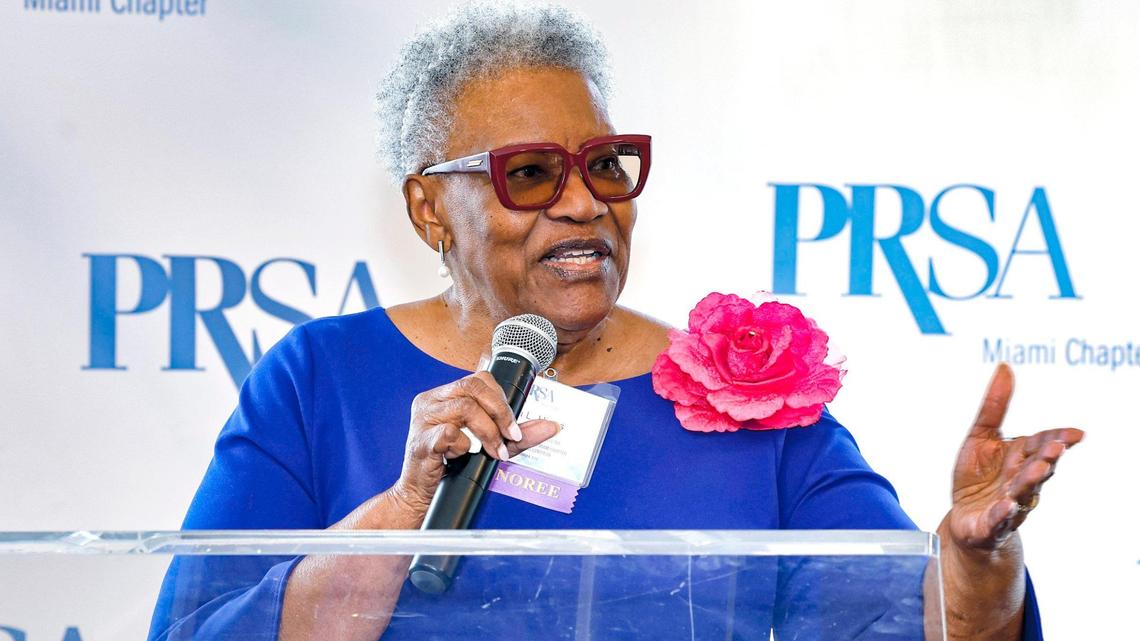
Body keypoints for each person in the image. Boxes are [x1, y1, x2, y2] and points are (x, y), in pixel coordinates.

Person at [146, 4, 1083, 641]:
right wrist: (401, 510)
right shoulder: (319, 379)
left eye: (604, 164)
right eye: (529, 174)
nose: (583, 202)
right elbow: (198, 631)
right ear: (430, 209)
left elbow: (898, 625)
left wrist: (976, 559)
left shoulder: (748, 396)